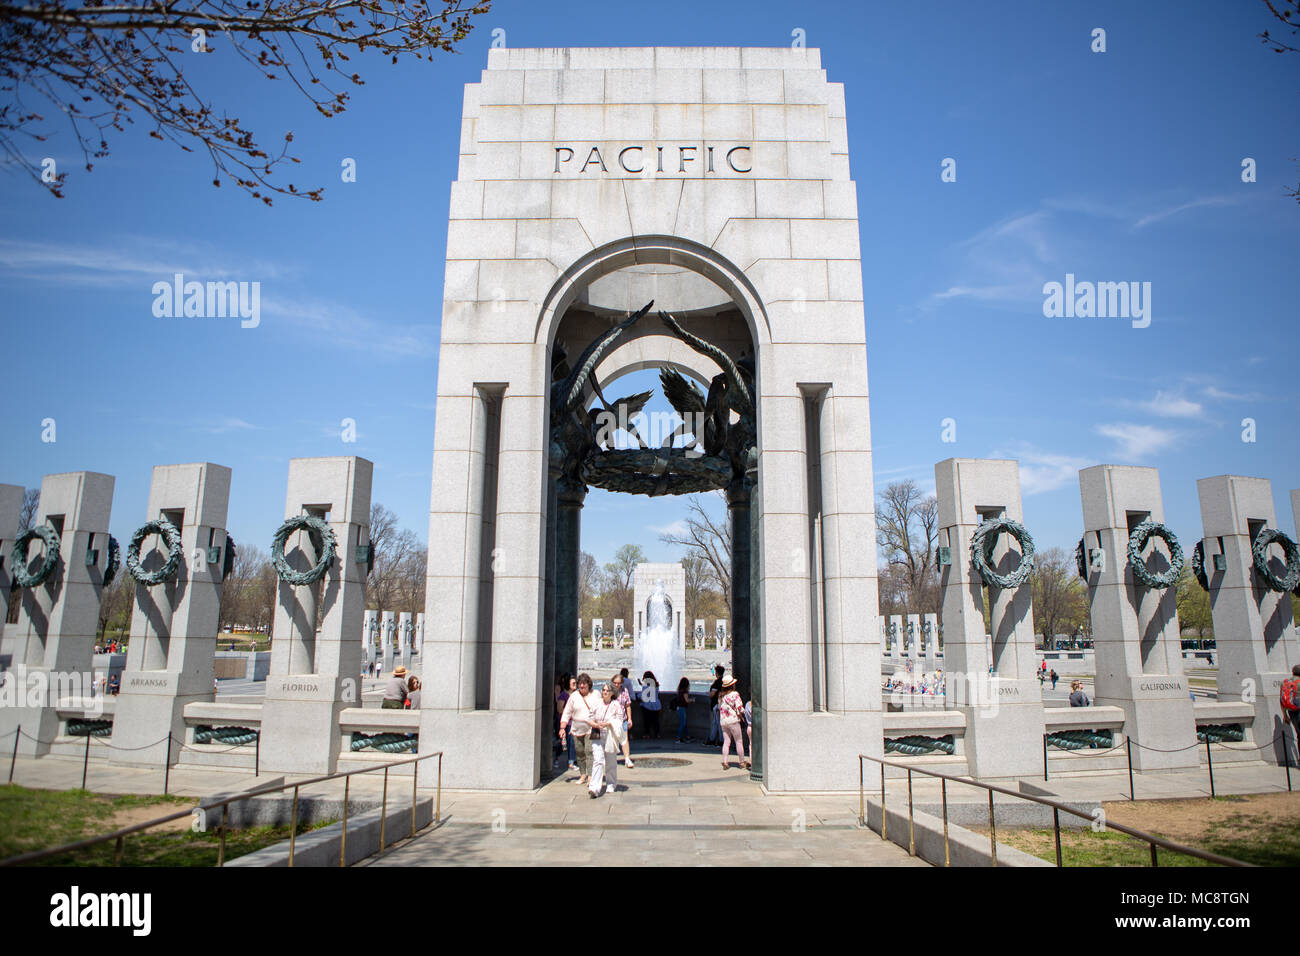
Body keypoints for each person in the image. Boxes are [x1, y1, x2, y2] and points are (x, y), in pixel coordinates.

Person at [558, 673, 598, 785]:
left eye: (584, 684)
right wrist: (562, 727)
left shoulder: (596, 694)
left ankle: (590, 776)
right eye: (580, 684)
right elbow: (567, 712)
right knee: (580, 753)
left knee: (589, 752)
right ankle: (583, 775)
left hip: (591, 728)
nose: (581, 686)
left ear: (589, 684)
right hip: (576, 728)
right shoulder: (574, 696)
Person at [587, 681, 625, 798]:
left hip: (610, 735)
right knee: (597, 760)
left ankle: (611, 784)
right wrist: (596, 725)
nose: (604, 692)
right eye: (603, 690)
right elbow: (589, 718)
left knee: (611, 761)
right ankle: (594, 788)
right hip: (598, 734)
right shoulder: (597, 703)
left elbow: (620, 720)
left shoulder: (616, 705)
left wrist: (609, 723)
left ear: (612, 693)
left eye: (607, 690)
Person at [718, 677, 748, 770]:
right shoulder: (735, 694)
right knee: (738, 741)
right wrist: (742, 714)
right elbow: (739, 708)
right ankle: (742, 762)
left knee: (726, 742)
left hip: (723, 721)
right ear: (732, 685)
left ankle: (725, 762)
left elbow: (720, 708)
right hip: (733, 720)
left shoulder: (720, 696)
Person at [611, 672, 635, 768]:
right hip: (612, 719)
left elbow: (628, 705)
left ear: (622, 683)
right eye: (615, 683)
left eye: (618, 683)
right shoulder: (609, 690)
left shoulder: (624, 691)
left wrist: (629, 719)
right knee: (612, 739)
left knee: (625, 739)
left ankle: (627, 758)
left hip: (623, 719)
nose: (617, 685)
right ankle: (611, 759)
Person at [1280, 665, 1300, 749]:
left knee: (1299, 735)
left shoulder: (1285, 682)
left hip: (1291, 711)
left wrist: (1285, 716)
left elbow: (1281, 700)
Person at [639, 671, 662, 739]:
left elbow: (644, 696)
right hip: (656, 705)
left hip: (648, 705)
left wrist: (637, 696)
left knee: (647, 721)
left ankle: (647, 734)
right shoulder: (656, 684)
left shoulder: (646, 684)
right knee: (656, 721)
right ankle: (657, 734)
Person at [707, 665, 725, 746]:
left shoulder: (716, 683)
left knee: (717, 723)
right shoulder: (724, 682)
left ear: (717, 673)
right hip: (721, 705)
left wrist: (709, 693)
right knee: (716, 723)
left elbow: (712, 694)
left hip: (716, 705)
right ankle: (712, 739)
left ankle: (720, 741)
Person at [672, 677, 692, 743]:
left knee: (684, 723)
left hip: (678, 708)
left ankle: (688, 736)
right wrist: (692, 700)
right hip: (682, 708)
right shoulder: (685, 691)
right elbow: (687, 700)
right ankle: (678, 738)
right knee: (683, 723)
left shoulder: (680, 691)